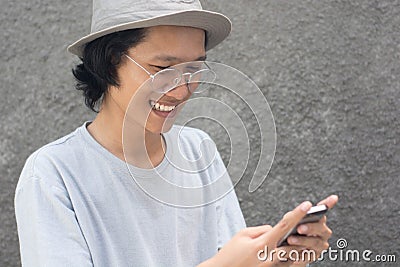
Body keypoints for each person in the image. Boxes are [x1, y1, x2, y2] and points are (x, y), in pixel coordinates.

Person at [15, 0, 338, 266]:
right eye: (163, 69)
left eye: (194, 68)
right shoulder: (53, 174)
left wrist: (280, 259)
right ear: (111, 61)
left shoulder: (198, 150)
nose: (182, 89)